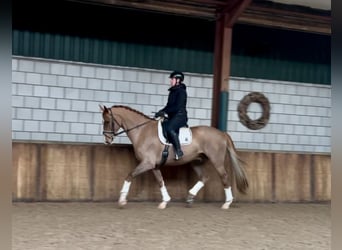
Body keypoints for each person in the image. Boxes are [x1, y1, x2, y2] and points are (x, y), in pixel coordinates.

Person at [154, 70, 188, 160]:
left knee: (170, 128)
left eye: (172, 79)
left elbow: (177, 107)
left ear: (178, 80)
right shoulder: (172, 91)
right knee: (162, 125)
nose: (170, 81)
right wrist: (160, 111)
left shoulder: (181, 92)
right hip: (173, 116)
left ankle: (178, 151)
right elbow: (168, 106)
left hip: (180, 116)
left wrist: (165, 112)